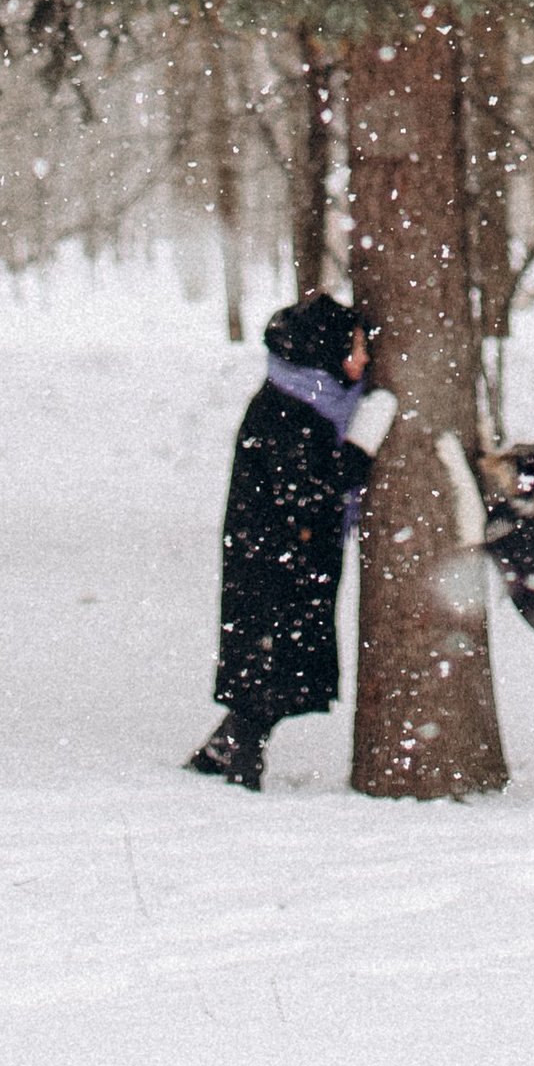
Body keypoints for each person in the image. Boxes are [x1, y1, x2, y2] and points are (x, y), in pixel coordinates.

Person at [186, 292, 396, 791]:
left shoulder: (314, 395)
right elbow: (314, 487)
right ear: (325, 351)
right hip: (273, 563)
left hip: (292, 557)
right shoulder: (288, 409)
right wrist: (363, 445)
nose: (365, 361)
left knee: (283, 665)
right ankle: (238, 759)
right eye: (357, 349)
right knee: (272, 664)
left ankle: (227, 748)